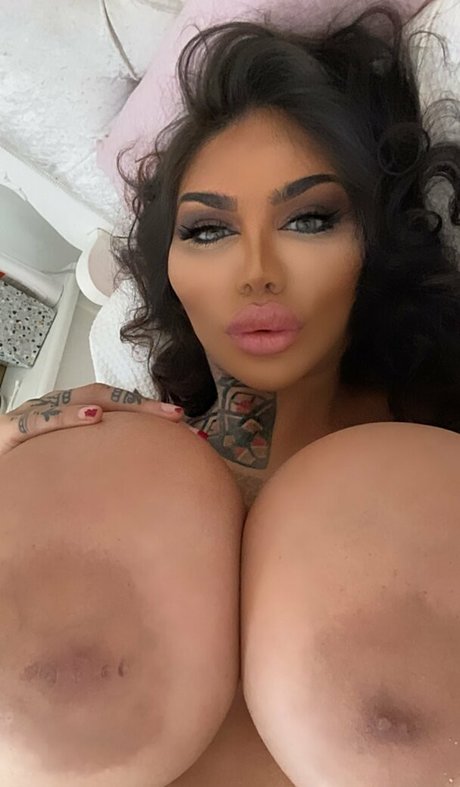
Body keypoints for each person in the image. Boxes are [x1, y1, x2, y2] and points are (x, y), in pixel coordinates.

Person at [1, 2, 460, 784]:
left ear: (377, 243)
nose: (255, 271)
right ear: (170, 269)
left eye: (309, 219)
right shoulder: (91, 467)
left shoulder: (437, 472)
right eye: (207, 230)